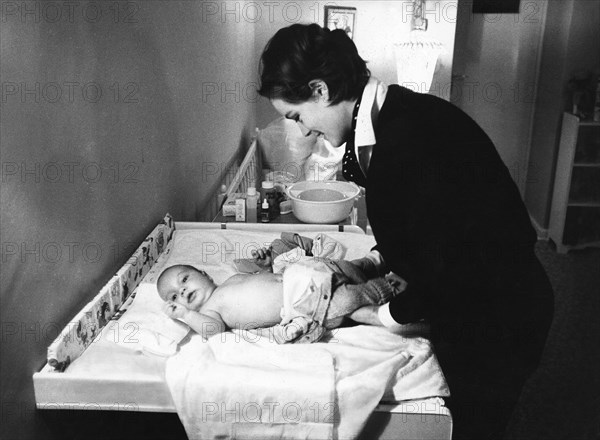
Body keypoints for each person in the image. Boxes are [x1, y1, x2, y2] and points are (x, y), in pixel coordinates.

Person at [257, 23, 554, 439]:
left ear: (320, 90)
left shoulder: (410, 136)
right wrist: (371, 262)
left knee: (473, 425)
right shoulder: (391, 119)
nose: (304, 130)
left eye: (297, 115)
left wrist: (371, 312)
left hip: (501, 315)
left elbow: (445, 267)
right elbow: (423, 224)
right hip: (488, 293)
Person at [157, 255, 406, 344]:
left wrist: (265, 268)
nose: (182, 291)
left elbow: (266, 283)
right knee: (344, 303)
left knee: (346, 267)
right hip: (304, 300)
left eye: (184, 279)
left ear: (203, 274)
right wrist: (186, 315)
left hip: (303, 273)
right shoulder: (211, 311)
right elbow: (214, 331)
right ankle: (387, 290)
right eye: (175, 297)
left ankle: (373, 262)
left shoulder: (232, 280)